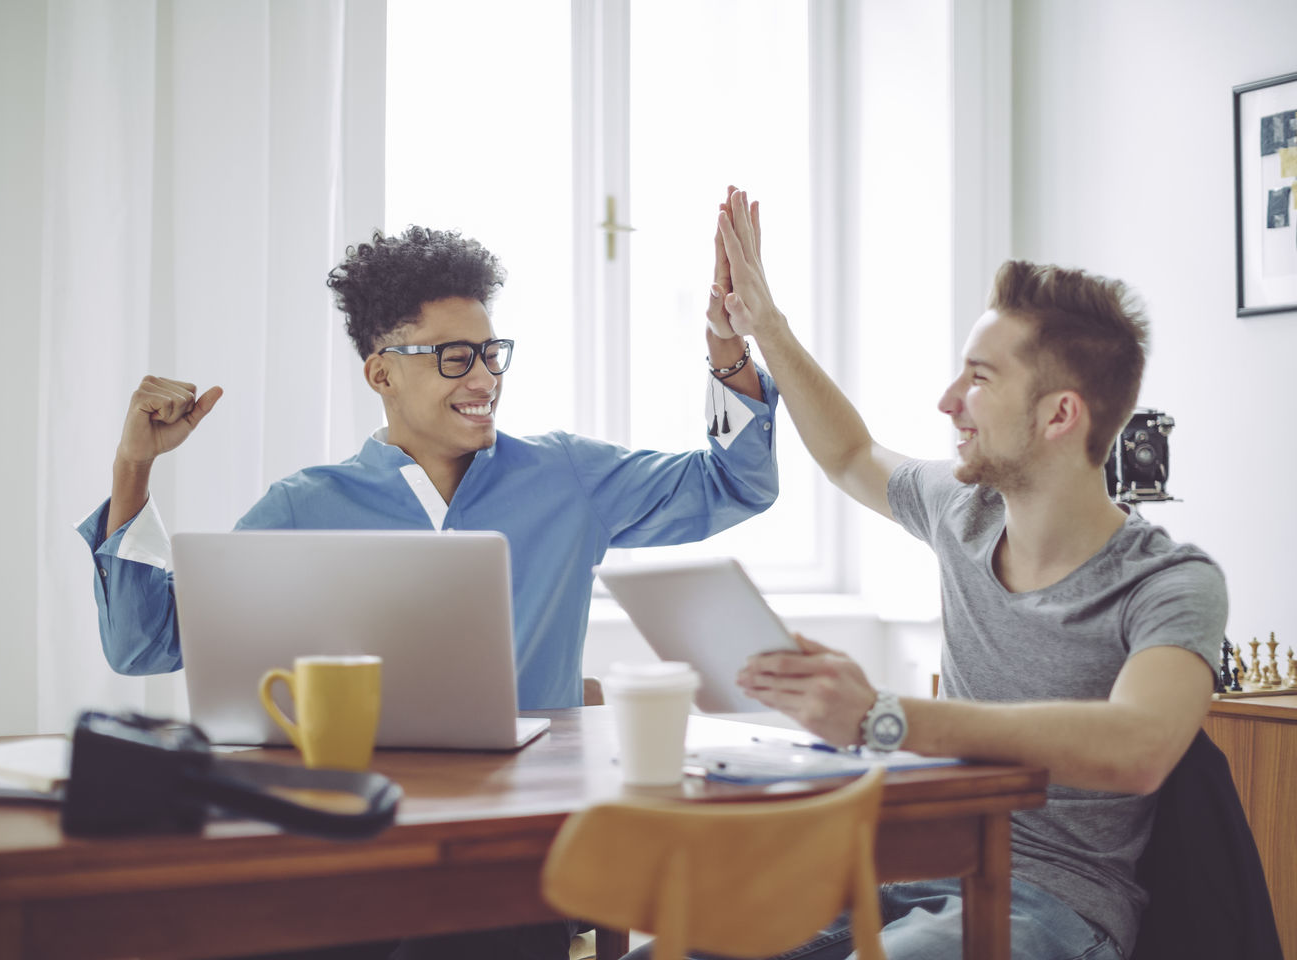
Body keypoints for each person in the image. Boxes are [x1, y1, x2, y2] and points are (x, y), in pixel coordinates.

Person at [74, 201, 779, 960]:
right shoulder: (303, 506)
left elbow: (735, 484)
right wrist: (133, 468)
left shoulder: (568, 478)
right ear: (381, 373)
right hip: (350, 838)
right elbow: (145, 646)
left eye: (490, 353)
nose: (482, 378)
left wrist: (727, 346)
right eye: (452, 357)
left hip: (517, 842)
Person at [704, 189, 1223, 960]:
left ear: (1059, 416)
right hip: (916, 869)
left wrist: (887, 716)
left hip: (1053, 907)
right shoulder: (964, 512)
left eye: (978, 378)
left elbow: (1140, 746)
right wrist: (765, 329)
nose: (948, 401)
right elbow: (851, 455)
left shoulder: (1169, 582)